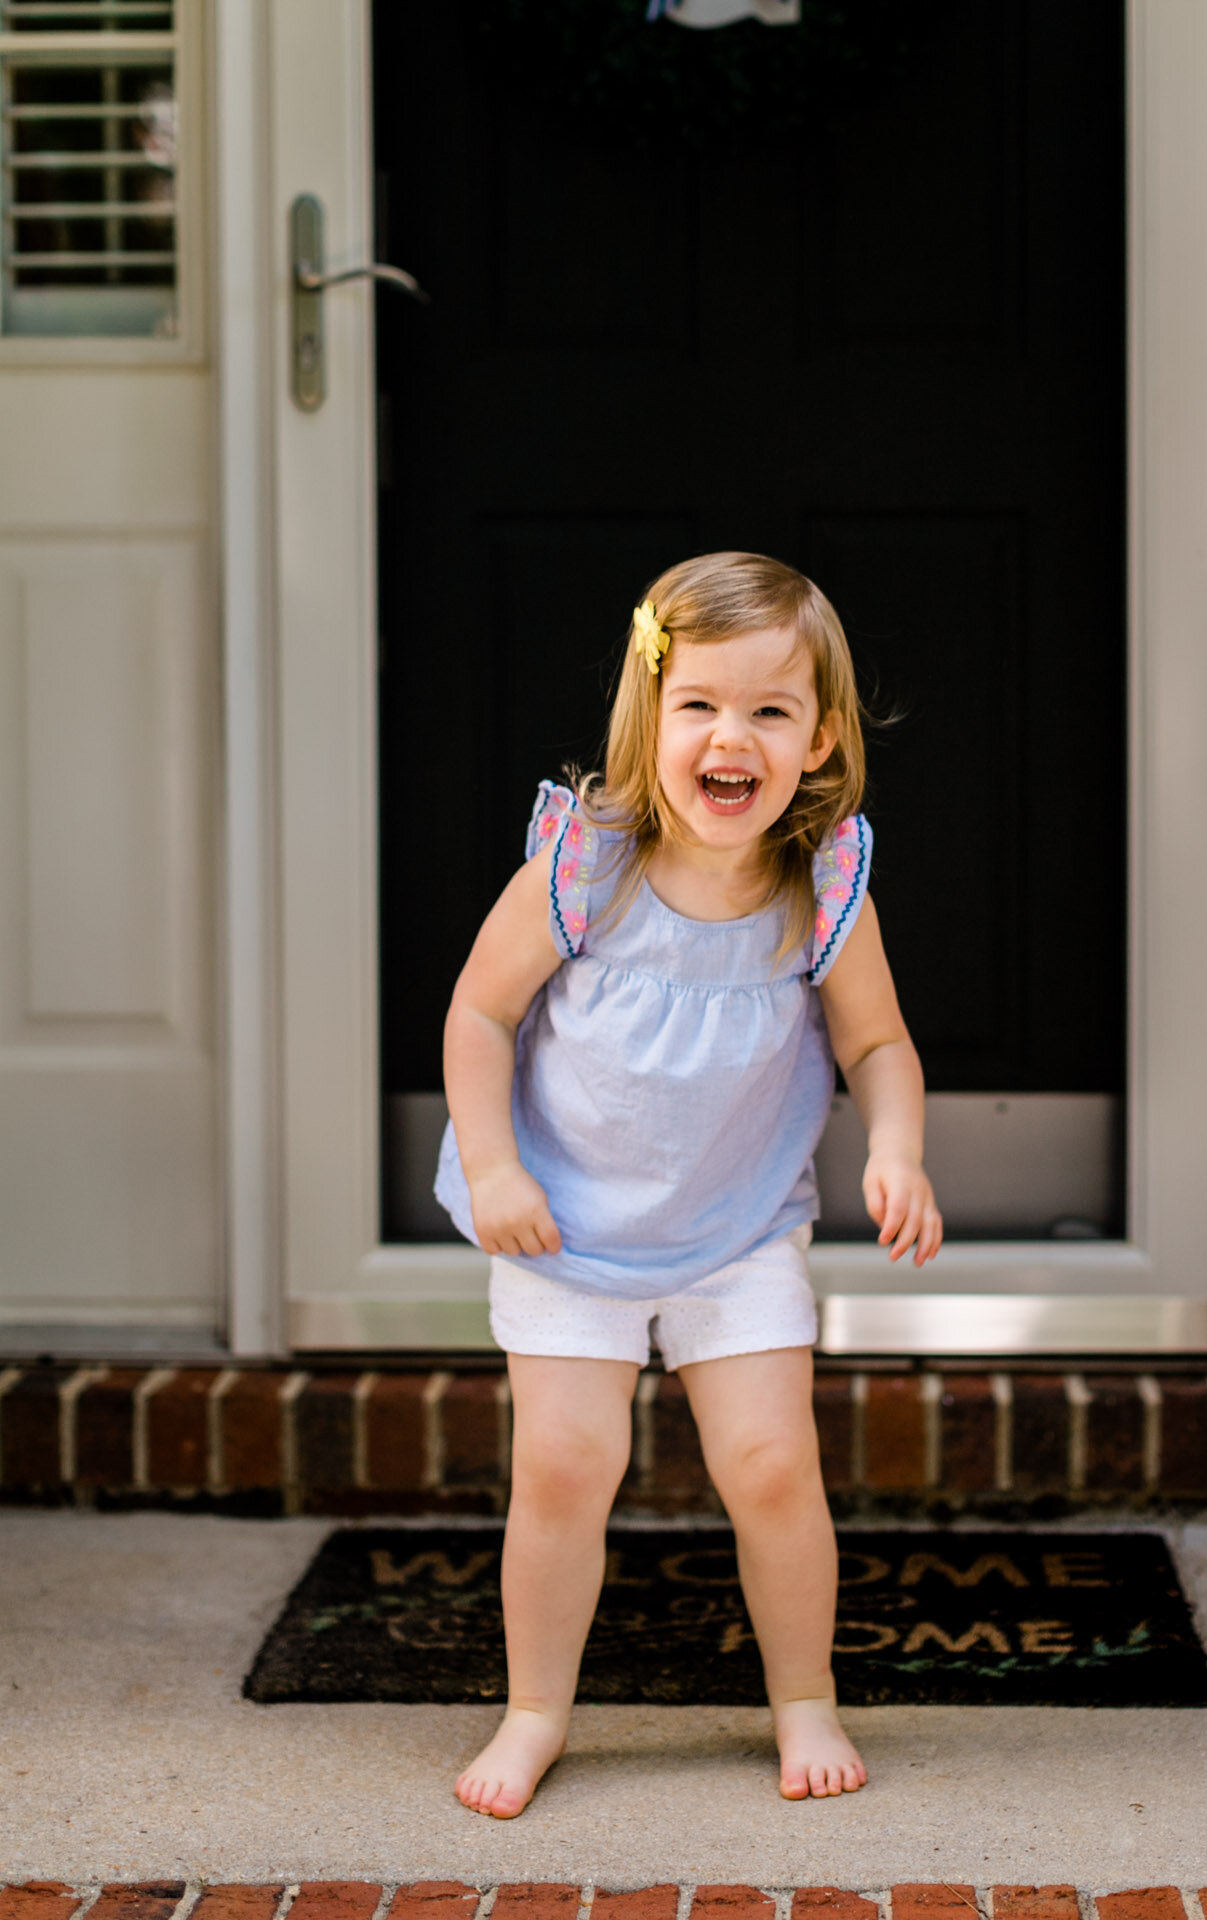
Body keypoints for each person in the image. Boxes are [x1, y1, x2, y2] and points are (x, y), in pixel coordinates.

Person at [436, 550, 942, 1818]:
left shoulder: (821, 889)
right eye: (702, 704)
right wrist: (491, 1163)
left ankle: (803, 1694)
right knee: (563, 1465)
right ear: (649, 717)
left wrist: (894, 1144)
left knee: (773, 1464)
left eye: (771, 710)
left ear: (820, 739)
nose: (734, 737)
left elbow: (877, 1041)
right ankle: (538, 1708)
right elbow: (480, 1013)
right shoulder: (586, 868)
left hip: (736, 1231)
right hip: (564, 1224)